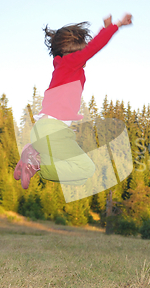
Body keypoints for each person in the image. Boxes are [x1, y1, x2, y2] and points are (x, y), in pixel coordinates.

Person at [14, 13, 133, 189]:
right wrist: (116, 26)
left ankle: (33, 154)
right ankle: (35, 162)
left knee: (81, 172)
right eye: (82, 52)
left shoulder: (63, 66)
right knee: (84, 169)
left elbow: (90, 48)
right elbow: (94, 47)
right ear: (73, 52)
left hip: (48, 130)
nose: (85, 57)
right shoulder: (69, 63)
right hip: (52, 131)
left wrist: (105, 29)